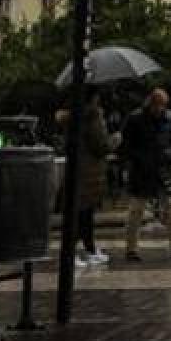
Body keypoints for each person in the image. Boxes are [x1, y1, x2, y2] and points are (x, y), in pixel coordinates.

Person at [122, 88, 171, 260]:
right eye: (156, 105)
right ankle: (131, 248)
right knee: (136, 210)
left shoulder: (169, 118)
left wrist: (169, 155)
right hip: (142, 170)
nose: (159, 109)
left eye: (162, 105)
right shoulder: (135, 119)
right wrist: (139, 158)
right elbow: (127, 145)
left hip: (162, 168)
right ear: (150, 103)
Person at [72, 86, 115, 266]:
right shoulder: (94, 116)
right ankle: (77, 252)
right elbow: (101, 144)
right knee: (83, 212)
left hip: (78, 168)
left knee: (83, 212)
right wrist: (115, 139)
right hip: (90, 170)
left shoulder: (75, 114)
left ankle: (89, 249)